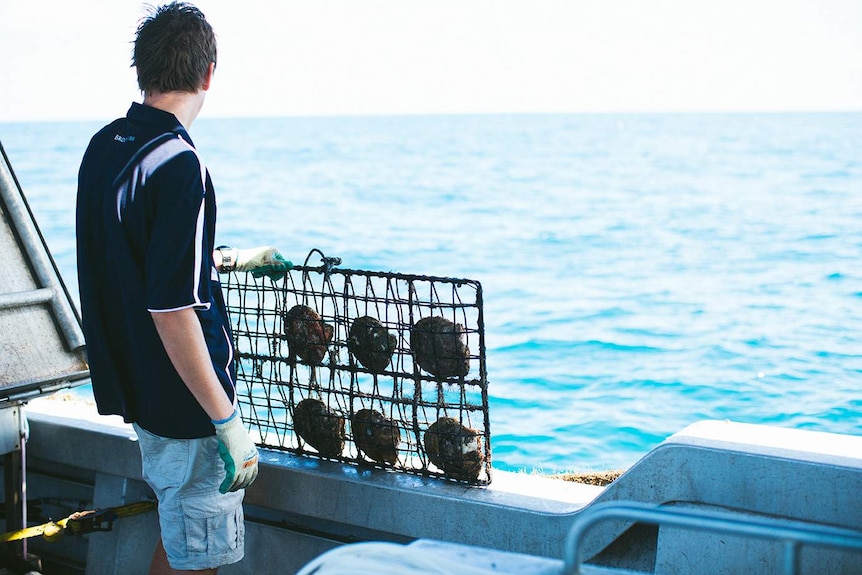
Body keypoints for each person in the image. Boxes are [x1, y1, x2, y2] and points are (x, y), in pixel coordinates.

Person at [75, 3, 290, 573]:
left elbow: (130, 257)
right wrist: (226, 422)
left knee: (184, 542)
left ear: (141, 70)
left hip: (140, 390)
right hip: (186, 402)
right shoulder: (180, 162)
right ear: (208, 73)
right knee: (198, 559)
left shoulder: (105, 145)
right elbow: (171, 309)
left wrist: (227, 260)